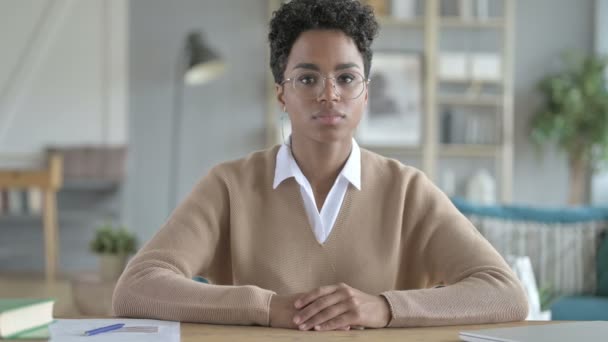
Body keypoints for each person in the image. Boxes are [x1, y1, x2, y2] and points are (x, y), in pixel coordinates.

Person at [112, 0, 528, 331]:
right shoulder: (229, 186)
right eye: (308, 79)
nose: (329, 95)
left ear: (365, 93)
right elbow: (136, 288)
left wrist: (384, 308)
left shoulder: (408, 191)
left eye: (346, 78)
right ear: (281, 94)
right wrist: (268, 307)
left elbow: (505, 293)